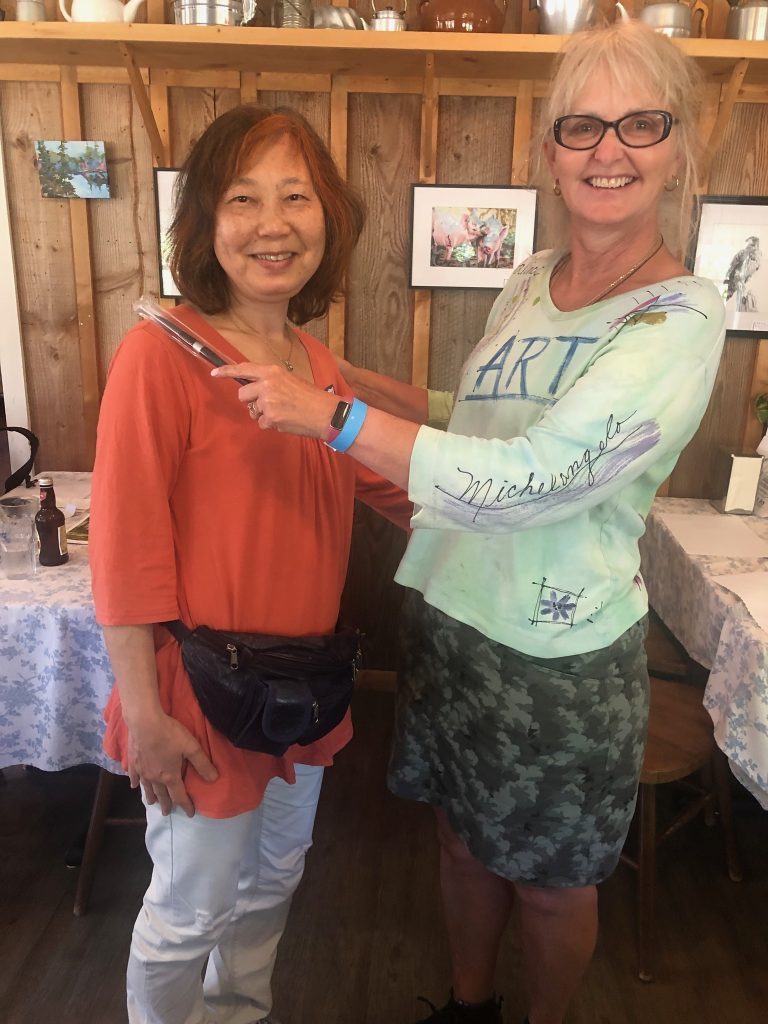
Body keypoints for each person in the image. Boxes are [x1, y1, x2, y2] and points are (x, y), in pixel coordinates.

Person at [212, 21, 728, 1024]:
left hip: (558, 653)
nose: (607, 150)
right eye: (581, 127)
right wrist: (350, 376)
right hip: (455, 611)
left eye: (639, 124)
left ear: (678, 149)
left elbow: (534, 475)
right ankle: (467, 1005)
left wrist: (334, 417)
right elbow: (479, 415)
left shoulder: (679, 318)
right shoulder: (532, 278)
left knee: (548, 878)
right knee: (458, 837)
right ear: (550, 151)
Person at [89, 105, 410, 1024]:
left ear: (328, 220)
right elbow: (122, 547)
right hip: (197, 692)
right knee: (189, 911)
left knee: (274, 881)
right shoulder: (162, 354)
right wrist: (144, 714)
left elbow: (395, 489)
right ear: (205, 224)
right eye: (244, 199)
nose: (273, 224)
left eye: (296, 197)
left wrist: (522, 494)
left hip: (303, 687)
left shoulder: (314, 364)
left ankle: (239, 1016)